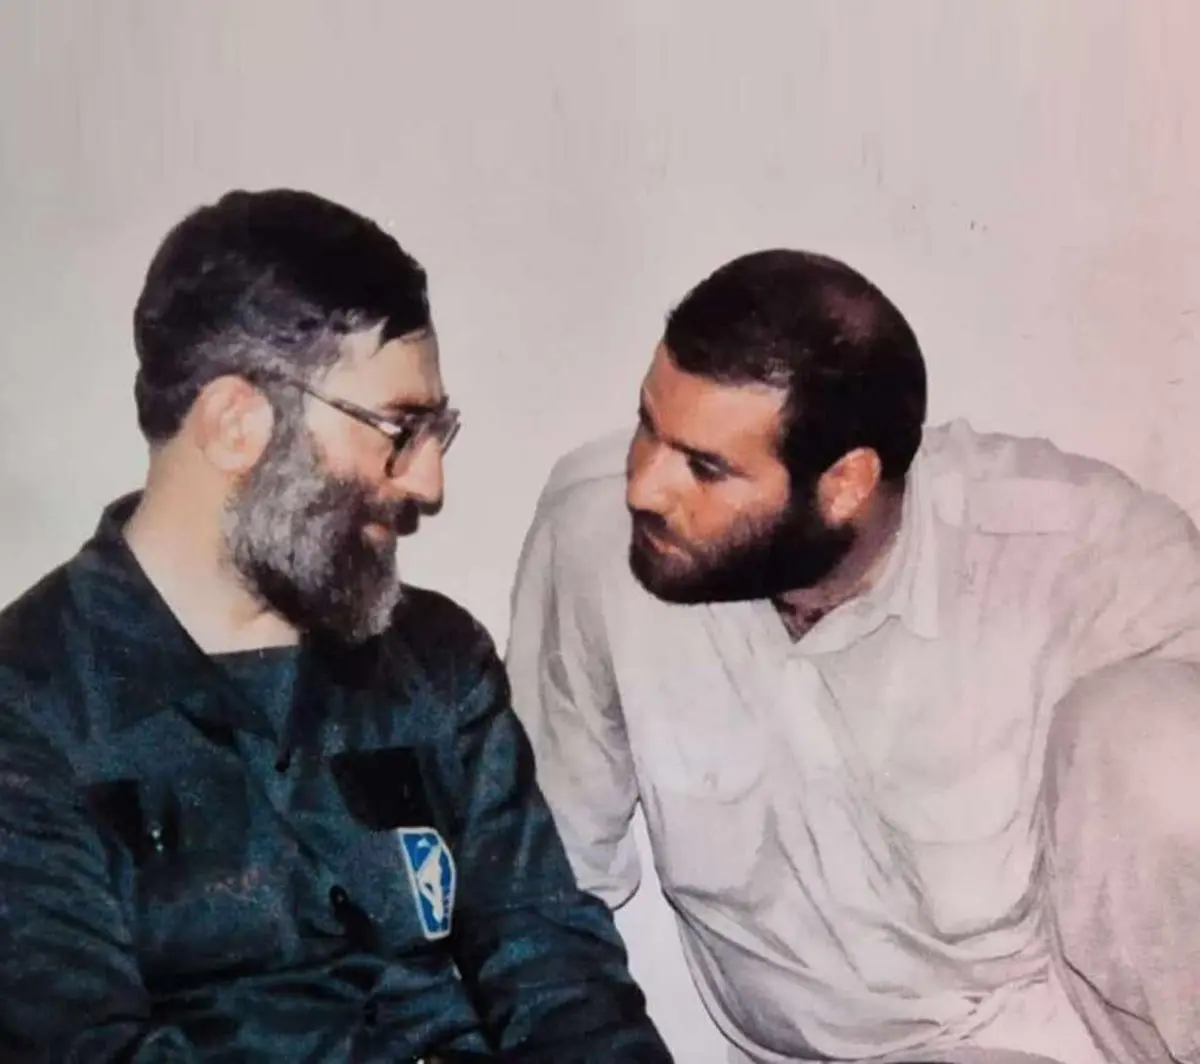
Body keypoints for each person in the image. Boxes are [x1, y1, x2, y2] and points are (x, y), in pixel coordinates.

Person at [0, 188, 672, 1064]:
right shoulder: (26, 707)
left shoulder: (436, 660)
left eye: (437, 434)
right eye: (400, 429)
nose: (429, 483)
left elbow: (552, 968)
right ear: (236, 424)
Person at [506, 249, 1200, 1064]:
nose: (645, 488)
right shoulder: (597, 539)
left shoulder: (1071, 548)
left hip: (1085, 1037)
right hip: (851, 1058)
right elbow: (541, 894)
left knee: (1159, 737)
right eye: (647, 426)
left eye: (705, 467)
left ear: (845, 485)